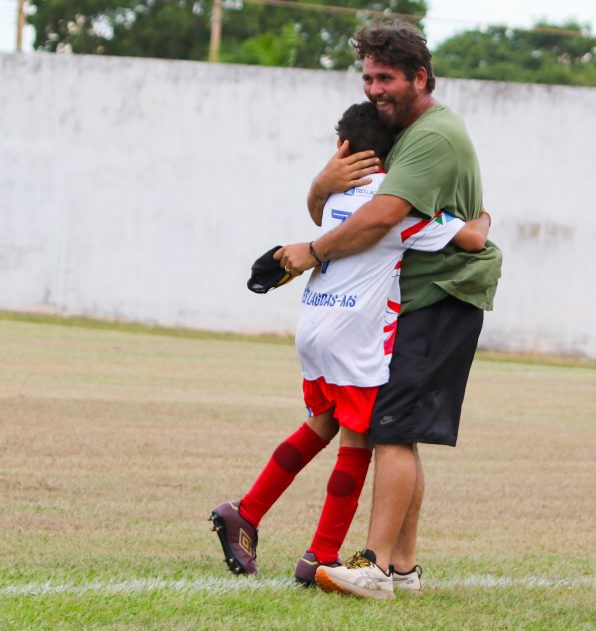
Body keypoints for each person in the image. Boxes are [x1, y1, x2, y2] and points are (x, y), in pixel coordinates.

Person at [210, 101, 490, 587]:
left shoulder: (334, 194)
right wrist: (484, 218)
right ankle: (320, 553)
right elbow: (468, 240)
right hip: (356, 336)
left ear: (344, 150)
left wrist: (321, 181)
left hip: (315, 325)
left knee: (321, 424)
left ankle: (246, 511)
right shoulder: (397, 204)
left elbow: (318, 212)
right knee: (359, 440)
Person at [276, 22, 503, 601]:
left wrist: (311, 255)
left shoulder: (432, 135)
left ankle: (375, 569)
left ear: (420, 78)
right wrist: (318, 186)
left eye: (387, 77)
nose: (375, 88)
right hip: (417, 299)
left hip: (441, 297)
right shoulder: (398, 134)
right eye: (369, 77)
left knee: (392, 429)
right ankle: (402, 567)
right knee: (400, 430)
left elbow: (380, 218)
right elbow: (340, 212)